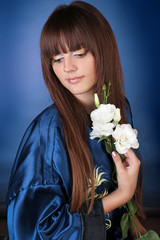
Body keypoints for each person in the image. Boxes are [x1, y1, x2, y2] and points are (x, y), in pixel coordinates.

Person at [6, 1, 146, 239]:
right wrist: (120, 196)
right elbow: (37, 230)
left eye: (79, 53)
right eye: (57, 58)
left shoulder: (120, 108)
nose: (68, 68)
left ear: (102, 50)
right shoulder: (49, 130)